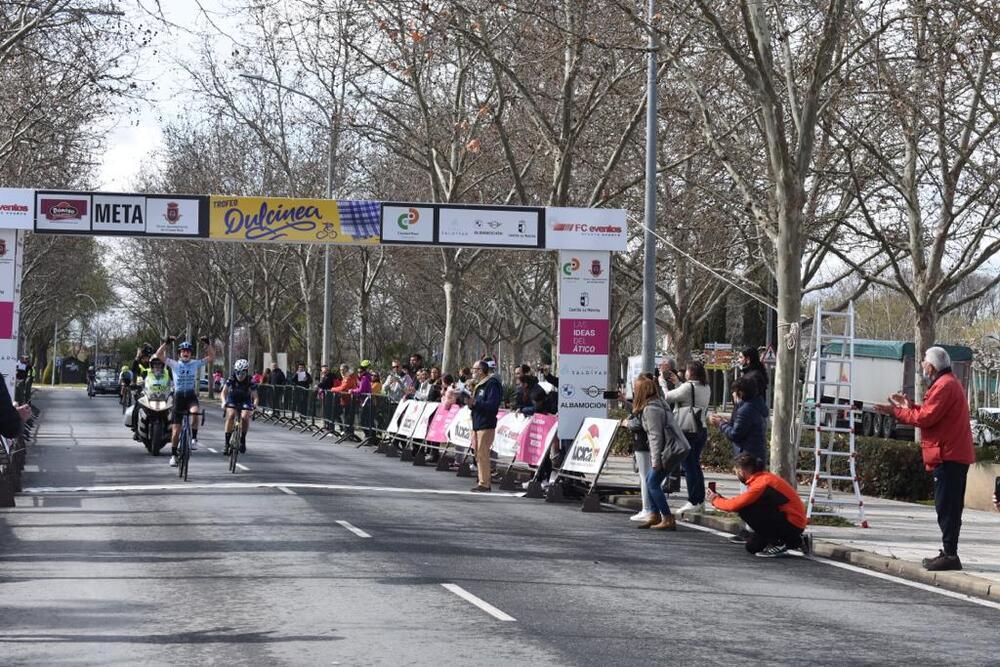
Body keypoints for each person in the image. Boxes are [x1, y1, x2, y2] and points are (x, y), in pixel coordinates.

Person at [875, 346, 975, 572]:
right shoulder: (947, 383)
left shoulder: (944, 385)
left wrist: (896, 412)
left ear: (932, 365)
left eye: (923, 364)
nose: (922, 368)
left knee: (946, 507)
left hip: (948, 455)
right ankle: (949, 552)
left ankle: (950, 554)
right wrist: (908, 406)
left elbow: (927, 418)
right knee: (948, 506)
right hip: (951, 453)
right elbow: (931, 413)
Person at [708, 453, 807, 557]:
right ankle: (797, 540)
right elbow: (738, 502)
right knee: (752, 547)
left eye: (736, 472)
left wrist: (715, 500)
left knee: (744, 509)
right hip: (791, 521)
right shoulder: (762, 478)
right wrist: (719, 499)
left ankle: (780, 542)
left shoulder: (761, 484)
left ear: (742, 471)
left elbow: (735, 505)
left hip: (791, 522)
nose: (736, 475)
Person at [155, 336, 214, 467]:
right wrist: (166, 343)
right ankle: (174, 455)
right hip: (179, 397)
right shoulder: (174, 364)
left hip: (191, 396)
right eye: (183, 351)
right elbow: (158, 355)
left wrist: (208, 344)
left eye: (188, 351)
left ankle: (193, 439)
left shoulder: (195, 363)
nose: (185, 353)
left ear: (190, 353)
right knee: (176, 431)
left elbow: (211, 357)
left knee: (194, 413)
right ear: (180, 353)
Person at [663, 361, 711, 514]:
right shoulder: (705, 387)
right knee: (695, 465)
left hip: (687, 429)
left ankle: (693, 500)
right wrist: (679, 383)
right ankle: (700, 499)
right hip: (701, 428)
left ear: (692, 372)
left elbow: (667, 397)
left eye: (688, 370)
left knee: (688, 466)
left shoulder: (687, 387)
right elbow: (688, 396)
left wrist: (661, 382)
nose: (686, 373)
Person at [710, 377, 767, 462]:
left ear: (740, 393)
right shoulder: (756, 405)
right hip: (755, 453)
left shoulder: (745, 410)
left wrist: (720, 423)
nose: (732, 395)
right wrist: (725, 422)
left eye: (733, 392)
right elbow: (742, 427)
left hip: (747, 457)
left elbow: (735, 434)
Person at [469, 358, 502, 492]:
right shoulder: (479, 385)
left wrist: (476, 403)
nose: (473, 372)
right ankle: (482, 478)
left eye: (475, 370)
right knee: (478, 453)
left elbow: (492, 406)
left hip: (486, 423)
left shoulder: (491, 384)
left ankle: (485, 483)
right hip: (477, 422)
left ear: (481, 371)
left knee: (483, 453)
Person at [221, 359, 258, 455]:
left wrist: (254, 405)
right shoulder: (231, 378)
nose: (240, 375)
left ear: (246, 371)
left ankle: (243, 439)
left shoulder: (250, 380)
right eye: (238, 372)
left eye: (242, 372)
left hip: (245, 399)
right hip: (232, 398)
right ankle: (226, 443)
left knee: (245, 417)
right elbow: (223, 392)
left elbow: (256, 397)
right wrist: (224, 402)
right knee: (231, 415)